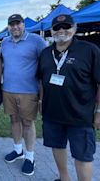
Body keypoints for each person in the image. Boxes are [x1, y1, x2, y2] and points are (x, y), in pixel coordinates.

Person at [38, 14, 100, 181]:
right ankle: (64, 178)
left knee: (83, 155)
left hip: (80, 115)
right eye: (57, 28)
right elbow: (42, 80)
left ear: (74, 27)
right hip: (52, 114)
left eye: (66, 26)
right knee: (57, 146)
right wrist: (41, 101)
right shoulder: (45, 53)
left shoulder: (89, 50)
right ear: (52, 31)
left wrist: (99, 112)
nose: (61, 30)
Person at [1, 14, 47, 176]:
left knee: (28, 123)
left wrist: (43, 93)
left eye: (17, 24)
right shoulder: (5, 42)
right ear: (8, 26)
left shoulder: (36, 40)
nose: (15, 27)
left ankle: (30, 157)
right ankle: (17, 150)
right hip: (8, 89)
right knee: (14, 120)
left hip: (29, 90)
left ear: (23, 24)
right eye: (11, 24)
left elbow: (46, 62)